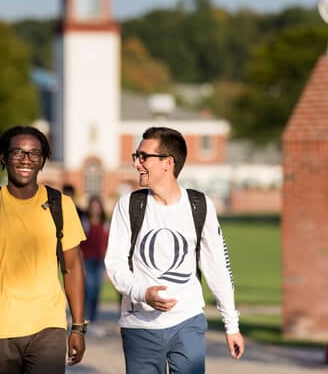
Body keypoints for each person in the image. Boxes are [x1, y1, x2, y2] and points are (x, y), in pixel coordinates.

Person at [104, 126, 245, 374]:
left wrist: (231, 325)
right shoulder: (129, 206)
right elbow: (114, 264)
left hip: (187, 322)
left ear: (168, 162)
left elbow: (217, 267)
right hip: (139, 326)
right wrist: (142, 293)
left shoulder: (199, 205)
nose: (137, 163)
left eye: (143, 156)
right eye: (136, 156)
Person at [0, 125, 87, 374]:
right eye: (17, 153)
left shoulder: (62, 205)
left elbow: (72, 267)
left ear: (42, 161)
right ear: (4, 158)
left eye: (34, 154)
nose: (25, 160)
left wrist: (78, 327)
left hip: (48, 326)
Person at [80, 195, 109, 330]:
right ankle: (85, 319)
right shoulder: (85, 224)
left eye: (98, 207)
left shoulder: (105, 225)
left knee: (96, 291)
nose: (95, 209)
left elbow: (107, 246)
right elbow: (79, 246)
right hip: (87, 262)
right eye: (93, 207)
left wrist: (107, 269)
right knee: (88, 291)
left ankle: (94, 319)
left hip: (100, 263)